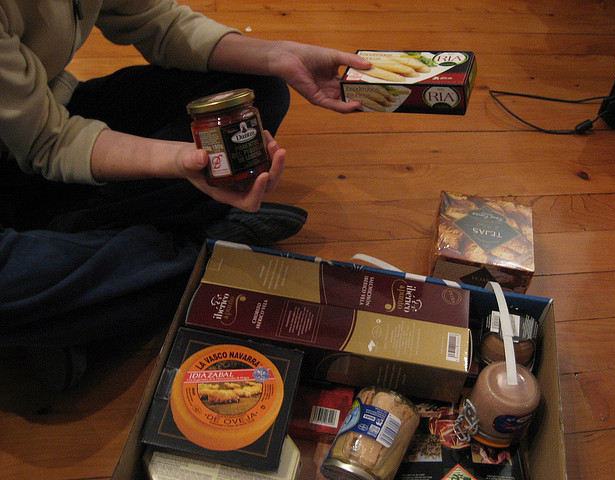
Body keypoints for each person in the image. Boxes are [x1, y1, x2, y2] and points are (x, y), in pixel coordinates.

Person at [0, 0, 371, 391]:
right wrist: (182, 161)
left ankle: (88, 279)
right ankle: (202, 249)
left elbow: (157, 21)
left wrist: (279, 55)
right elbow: (48, 141)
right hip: (40, 136)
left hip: (38, 115)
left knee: (254, 92)